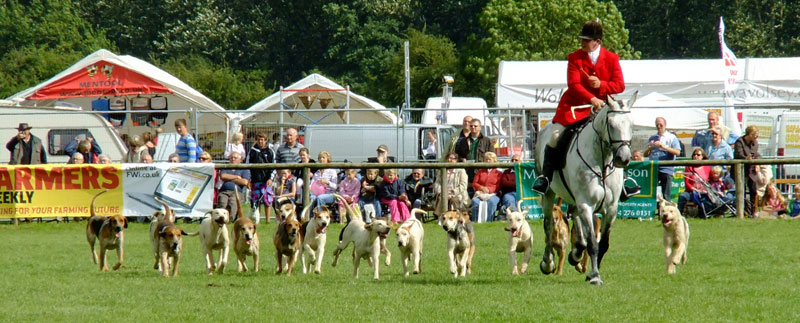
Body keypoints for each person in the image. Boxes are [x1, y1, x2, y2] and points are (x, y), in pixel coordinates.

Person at [532, 20, 627, 195]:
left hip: (602, 109)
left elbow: (620, 85)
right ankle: (546, 178)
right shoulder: (574, 57)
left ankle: (623, 182)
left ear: (597, 42)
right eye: (582, 39)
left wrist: (602, 85)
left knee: (618, 137)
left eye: (586, 40)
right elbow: (574, 84)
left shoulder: (612, 58)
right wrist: (591, 98)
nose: (582, 43)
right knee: (554, 137)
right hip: (575, 107)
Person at [644, 117, 681, 199]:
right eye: (657, 124)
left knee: (665, 194)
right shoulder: (652, 138)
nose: (659, 126)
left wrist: (663, 147)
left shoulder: (671, 137)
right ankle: (654, 210)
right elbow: (645, 154)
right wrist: (650, 147)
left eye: (661, 124)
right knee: (652, 193)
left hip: (666, 169)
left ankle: (664, 211)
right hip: (654, 169)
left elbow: (677, 152)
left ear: (665, 125)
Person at [246, 132, 275, 223]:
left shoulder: (270, 151)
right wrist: (249, 178)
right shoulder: (252, 151)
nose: (260, 141)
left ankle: (268, 220)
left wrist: (271, 178)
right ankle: (257, 219)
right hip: (255, 180)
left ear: (266, 140)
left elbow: (274, 165)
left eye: (262, 140)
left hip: (266, 180)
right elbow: (248, 165)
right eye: (258, 140)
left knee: (267, 200)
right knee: (256, 200)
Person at [734, 125, 760, 216]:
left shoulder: (755, 143)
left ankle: (753, 212)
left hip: (751, 170)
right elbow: (738, 154)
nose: (756, 137)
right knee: (742, 191)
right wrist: (746, 158)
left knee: (754, 190)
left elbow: (756, 154)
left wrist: (757, 162)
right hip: (741, 170)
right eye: (754, 135)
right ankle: (743, 212)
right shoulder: (739, 142)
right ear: (749, 134)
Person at [216, 152, 251, 220]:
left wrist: (229, 179)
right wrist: (237, 177)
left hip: (237, 192)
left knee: (233, 203)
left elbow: (245, 182)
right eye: (231, 157)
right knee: (222, 203)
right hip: (224, 191)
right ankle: (220, 219)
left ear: (240, 160)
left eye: (235, 158)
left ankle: (231, 220)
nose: (233, 159)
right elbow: (223, 176)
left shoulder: (244, 169)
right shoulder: (226, 167)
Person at [471, 152, 503, 222]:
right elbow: (474, 183)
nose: (487, 161)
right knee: (475, 201)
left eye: (489, 159)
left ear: (494, 160)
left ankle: (489, 221)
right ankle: (475, 221)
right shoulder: (480, 172)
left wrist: (489, 190)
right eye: (486, 159)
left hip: (494, 194)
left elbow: (498, 185)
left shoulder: (499, 173)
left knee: (491, 202)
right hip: (480, 193)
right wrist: (481, 188)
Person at [677, 148, 711, 213]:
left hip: (705, 191)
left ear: (702, 156)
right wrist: (695, 190)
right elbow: (687, 183)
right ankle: (679, 214)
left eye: (698, 155)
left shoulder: (707, 167)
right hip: (692, 192)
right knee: (682, 196)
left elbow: (710, 180)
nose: (696, 156)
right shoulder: (689, 167)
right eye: (694, 155)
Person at [309, 151, 339, 215]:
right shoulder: (317, 172)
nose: (321, 159)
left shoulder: (332, 171)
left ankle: (319, 216)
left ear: (328, 159)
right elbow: (312, 184)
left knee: (320, 198)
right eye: (320, 158)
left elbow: (335, 187)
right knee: (311, 198)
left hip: (330, 194)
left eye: (323, 157)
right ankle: (310, 218)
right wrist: (309, 187)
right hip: (317, 193)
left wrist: (327, 182)